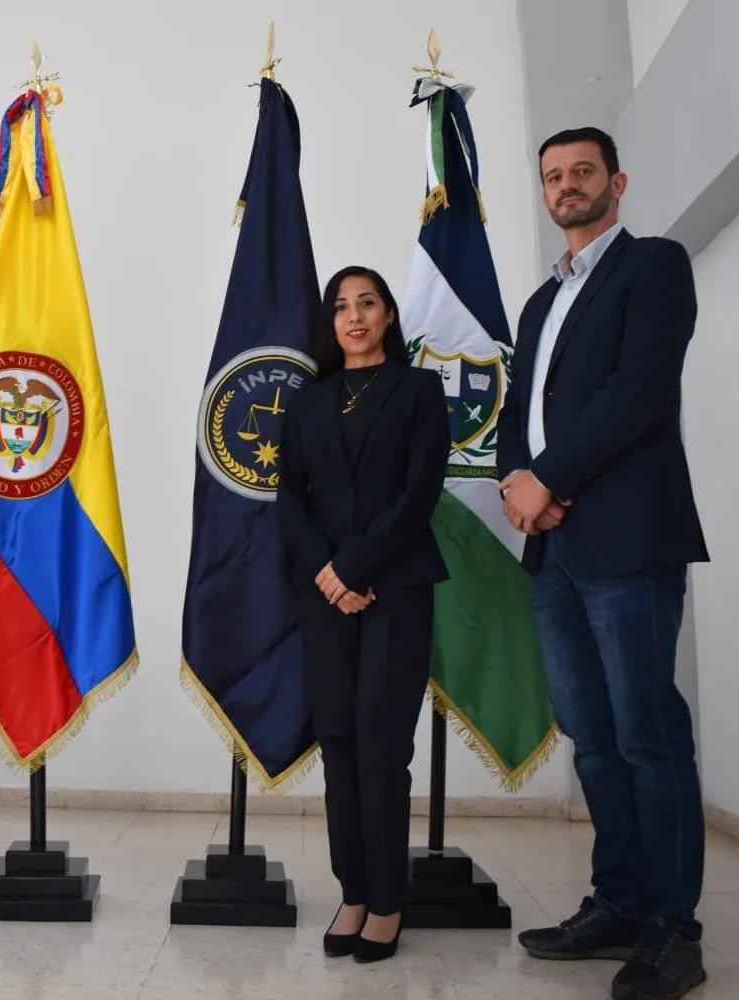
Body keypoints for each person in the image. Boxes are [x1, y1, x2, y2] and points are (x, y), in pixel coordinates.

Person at [496, 127, 708, 1000]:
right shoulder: (542, 302)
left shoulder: (655, 266)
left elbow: (639, 391)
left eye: (583, 172)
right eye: (554, 176)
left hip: (627, 536)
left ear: (614, 181)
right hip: (552, 545)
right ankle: (618, 901)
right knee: (591, 738)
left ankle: (672, 928)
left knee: (647, 735)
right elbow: (520, 407)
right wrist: (518, 478)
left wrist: (550, 476)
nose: (568, 185)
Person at [277, 265, 449, 963]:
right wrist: (330, 572)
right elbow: (291, 496)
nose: (354, 316)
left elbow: (419, 489)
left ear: (386, 317)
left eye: (367, 303)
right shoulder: (309, 400)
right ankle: (352, 890)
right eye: (342, 306)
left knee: (382, 744)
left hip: (396, 588)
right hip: (324, 594)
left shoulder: (418, 390)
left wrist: (357, 568)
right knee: (340, 739)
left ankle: (387, 901)